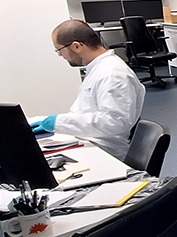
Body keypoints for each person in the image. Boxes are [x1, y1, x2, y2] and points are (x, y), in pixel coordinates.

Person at [31, 20, 146, 161]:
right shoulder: (97, 69)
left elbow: (115, 122)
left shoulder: (113, 74)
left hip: (107, 152)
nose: (61, 56)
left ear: (77, 46)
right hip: (90, 141)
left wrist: (59, 123)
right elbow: (85, 112)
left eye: (59, 50)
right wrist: (46, 122)